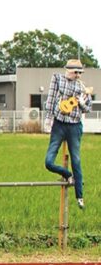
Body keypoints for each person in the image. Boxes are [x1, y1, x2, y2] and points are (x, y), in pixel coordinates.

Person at [44, 59, 92, 209]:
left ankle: (80, 196)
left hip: (75, 126)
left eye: (80, 73)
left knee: (76, 160)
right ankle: (67, 174)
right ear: (68, 70)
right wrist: (48, 119)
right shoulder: (57, 79)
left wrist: (81, 102)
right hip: (59, 124)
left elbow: (87, 109)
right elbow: (51, 100)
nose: (78, 75)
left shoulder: (82, 87)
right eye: (75, 72)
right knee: (49, 161)